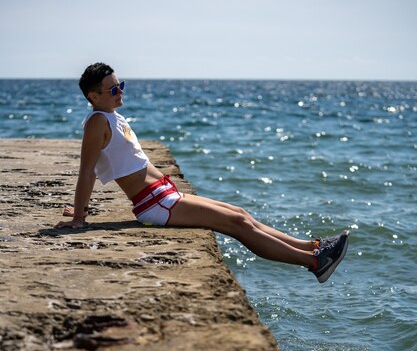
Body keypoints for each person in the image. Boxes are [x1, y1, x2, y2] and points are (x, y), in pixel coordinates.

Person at [55, 62, 349, 284]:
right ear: (93, 95)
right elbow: (87, 171)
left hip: (165, 195)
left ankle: (313, 246)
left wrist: (171, 187)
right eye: (113, 89)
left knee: (239, 212)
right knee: (236, 223)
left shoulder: (112, 116)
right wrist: (80, 216)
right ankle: (314, 262)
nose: (121, 92)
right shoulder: (97, 122)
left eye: (122, 86)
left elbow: (136, 161)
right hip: (154, 205)